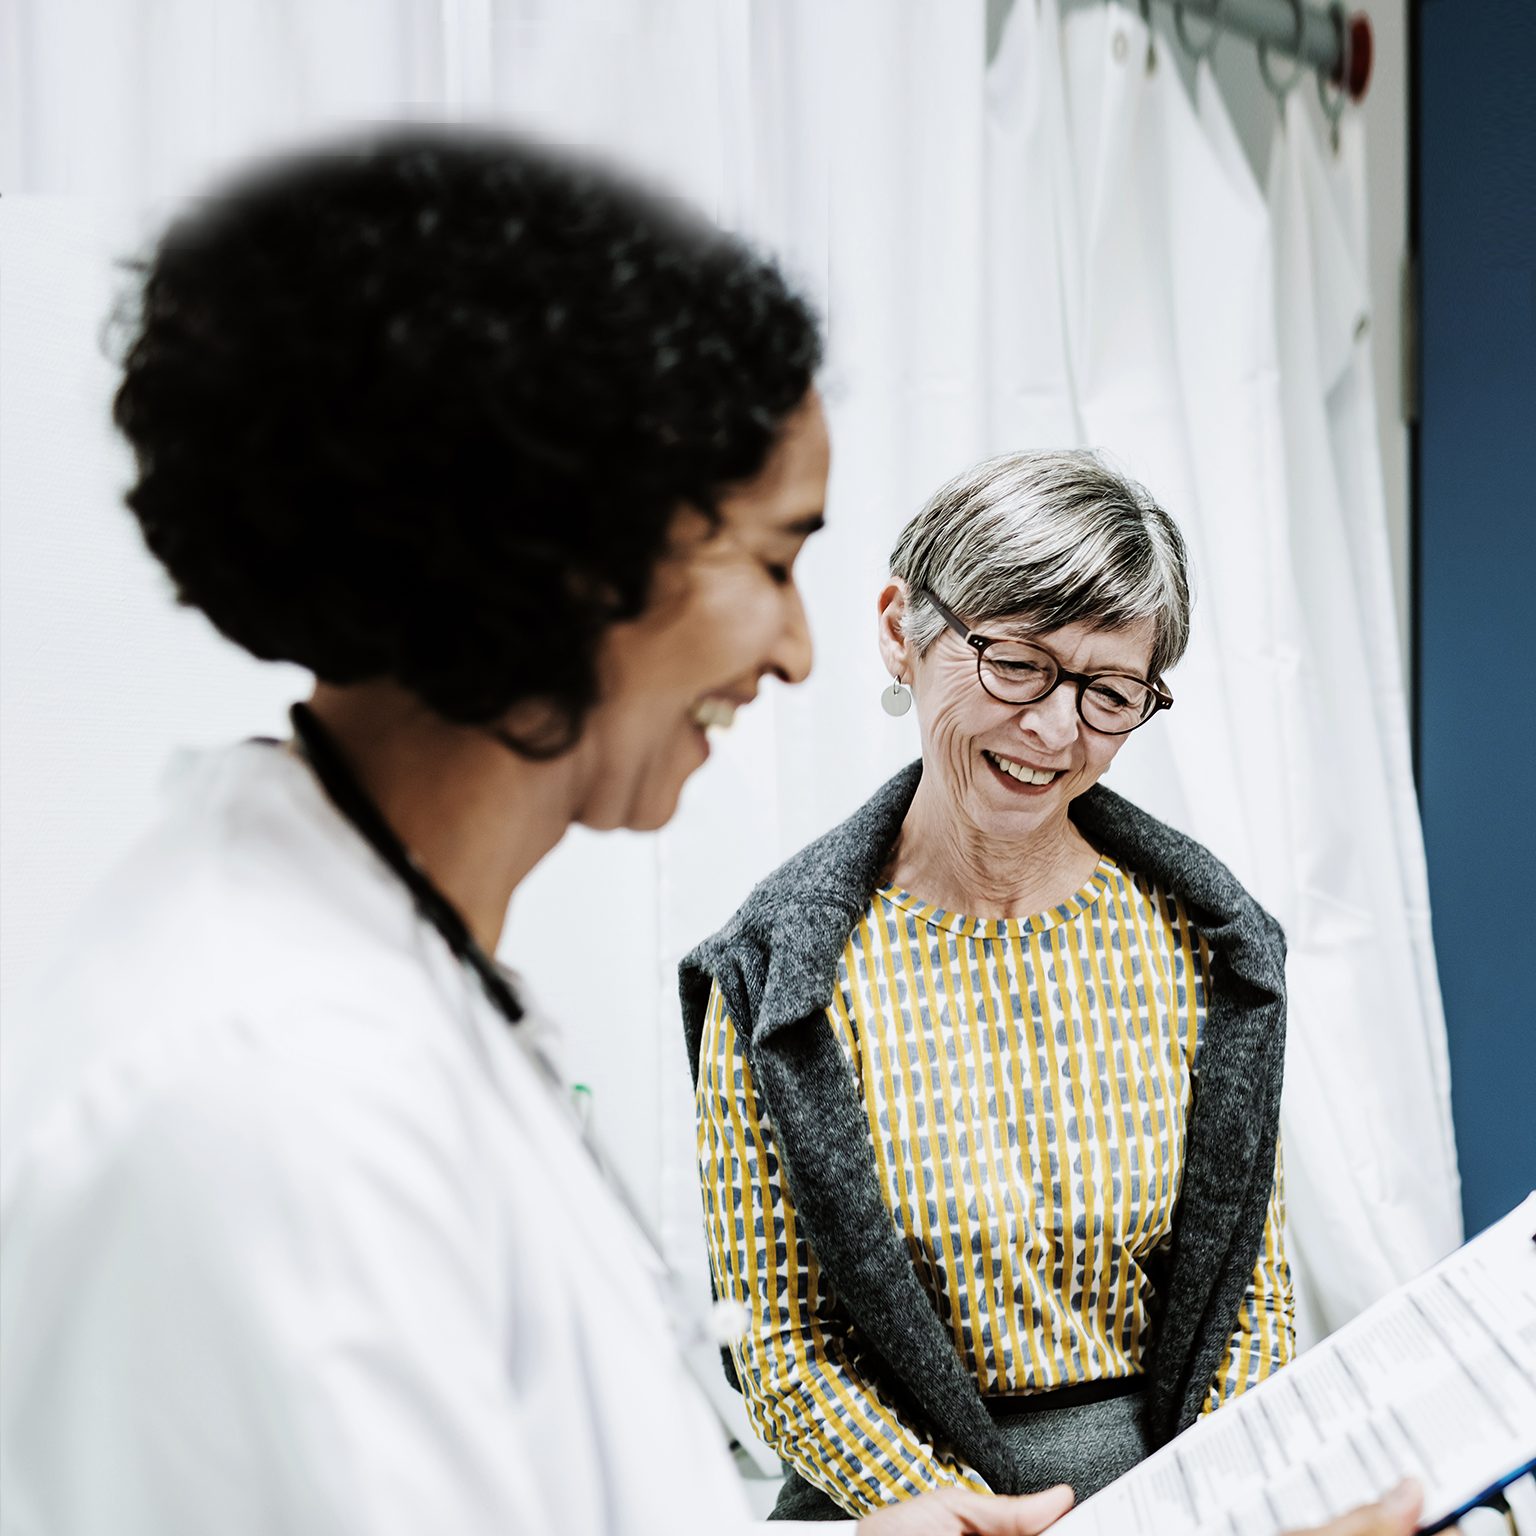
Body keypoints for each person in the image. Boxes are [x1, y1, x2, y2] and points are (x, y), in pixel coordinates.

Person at [0, 128, 1421, 1536]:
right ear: (572, 557)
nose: (797, 652)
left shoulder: (392, 989)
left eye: (1106, 690)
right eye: (772, 557)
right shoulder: (254, 1081)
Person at [683, 452, 1293, 1520]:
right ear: (902, 633)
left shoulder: (1211, 947)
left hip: (1166, 1504)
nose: (1055, 731)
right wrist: (966, 1516)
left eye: (1110, 693)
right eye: (1017, 663)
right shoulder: (774, 973)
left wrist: (1199, 1506)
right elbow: (782, 1349)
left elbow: (1251, 1303)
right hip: (900, 1508)